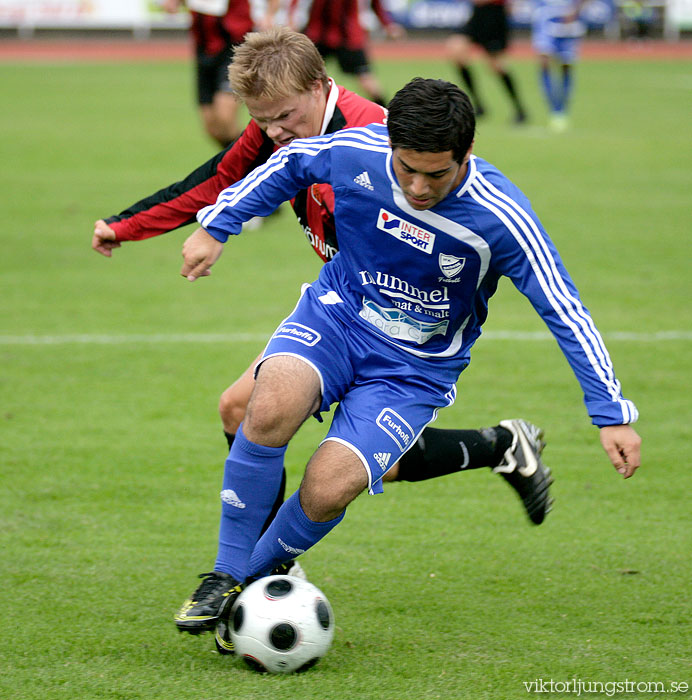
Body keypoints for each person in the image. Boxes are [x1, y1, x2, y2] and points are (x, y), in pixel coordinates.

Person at [176, 78, 641, 650]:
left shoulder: (503, 219)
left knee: (327, 489)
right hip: (337, 318)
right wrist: (217, 226)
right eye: (407, 169)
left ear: (465, 154)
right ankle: (224, 575)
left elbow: (564, 310)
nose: (418, 187)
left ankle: (254, 578)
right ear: (390, 145)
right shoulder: (360, 152)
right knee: (267, 405)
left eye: (436, 174)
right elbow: (292, 161)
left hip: (412, 370)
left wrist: (610, 411)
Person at [93, 27, 552, 542]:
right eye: (261, 120)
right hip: (346, 307)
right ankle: (500, 446)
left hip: (399, 326)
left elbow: (448, 216)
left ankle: (264, 575)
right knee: (250, 413)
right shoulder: (281, 127)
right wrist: (127, 225)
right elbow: (219, 178)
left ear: (318, 87)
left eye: (283, 117)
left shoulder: (374, 138)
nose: (271, 133)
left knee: (338, 457)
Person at [162, 0, 255, 147]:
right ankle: (242, 162)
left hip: (234, 47)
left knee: (225, 117)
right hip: (204, 48)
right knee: (213, 128)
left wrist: (270, 13)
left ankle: (255, 162)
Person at [283, 0, 406, 106]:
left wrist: (388, 24)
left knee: (366, 80)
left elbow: (376, 4)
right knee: (301, 76)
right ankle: (289, 108)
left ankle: (386, 114)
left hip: (347, 37)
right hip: (320, 35)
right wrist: (291, 20)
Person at [447, 0, 527, 123]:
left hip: (494, 17)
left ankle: (519, 109)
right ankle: (478, 104)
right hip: (478, 15)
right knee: (457, 52)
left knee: (497, 66)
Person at [531, 0, 585, 132]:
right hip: (544, 16)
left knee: (566, 65)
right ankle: (554, 110)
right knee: (544, 62)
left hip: (567, 17)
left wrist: (577, 8)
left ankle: (562, 110)